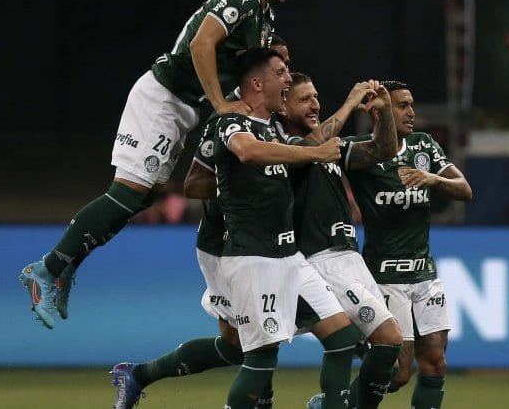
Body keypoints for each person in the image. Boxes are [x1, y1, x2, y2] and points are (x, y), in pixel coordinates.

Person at [19, 0, 300, 329]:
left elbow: (244, 70)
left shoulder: (263, 14)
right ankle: (46, 270)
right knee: (128, 191)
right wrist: (221, 105)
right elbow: (202, 44)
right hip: (164, 97)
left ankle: (63, 269)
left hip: (184, 107)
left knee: (142, 198)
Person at [111, 49, 368, 409]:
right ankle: (142, 376)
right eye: (282, 71)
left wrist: (346, 111)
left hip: (288, 254)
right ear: (257, 82)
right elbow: (246, 153)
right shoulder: (230, 121)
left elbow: (311, 145)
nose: (288, 79)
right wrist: (308, 157)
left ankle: (139, 375)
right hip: (251, 255)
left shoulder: (273, 128)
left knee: (342, 336)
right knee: (258, 357)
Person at [277, 72, 405, 409]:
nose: (315, 104)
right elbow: (310, 147)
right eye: (305, 99)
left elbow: (383, 149)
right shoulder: (285, 149)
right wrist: (350, 104)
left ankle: (334, 404)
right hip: (320, 260)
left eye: (316, 96)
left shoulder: (330, 149)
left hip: (351, 258)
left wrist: (384, 114)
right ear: (283, 107)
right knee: (389, 339)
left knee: (395, 363)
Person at [341, 81, 473, 409]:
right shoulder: (361, 152)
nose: (410, 112)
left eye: (411, 104)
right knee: (399, 373)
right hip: (385, 275)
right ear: (378, 111)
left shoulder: (423, 146)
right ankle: (336, 403)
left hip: (425, 273)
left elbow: (464, 189)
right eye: (401, 105)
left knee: (436, 363)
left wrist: (433, 179)